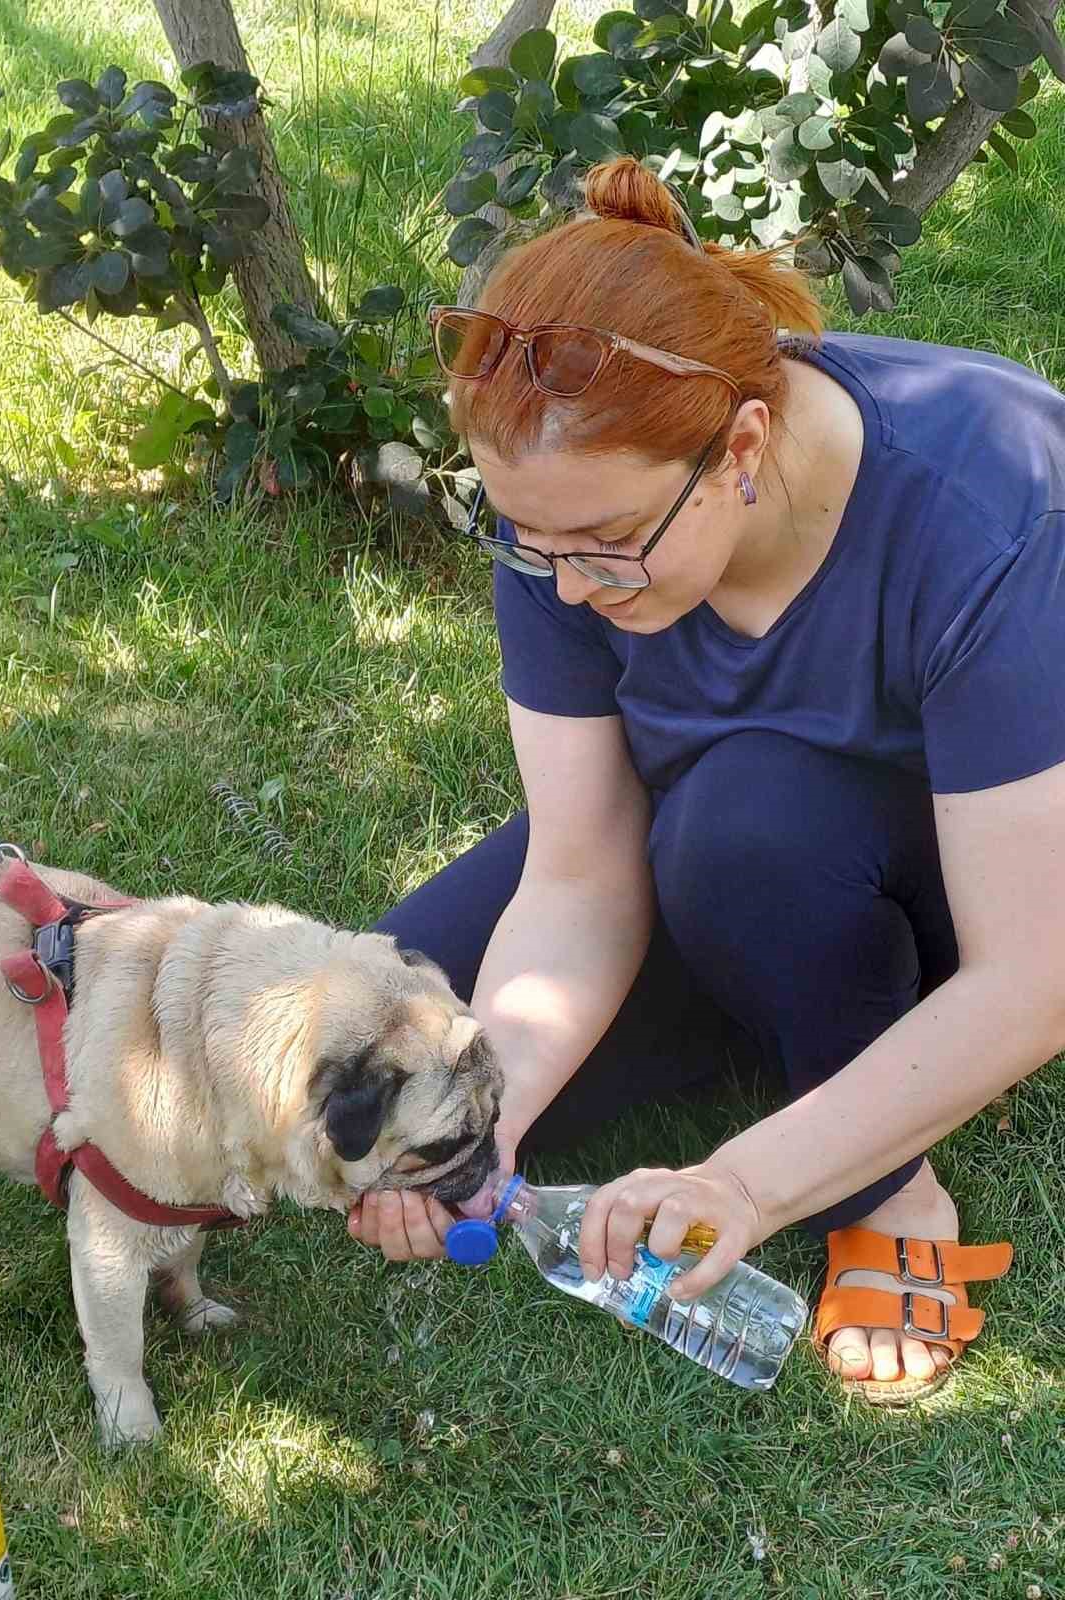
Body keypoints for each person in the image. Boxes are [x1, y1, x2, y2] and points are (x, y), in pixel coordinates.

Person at [348, 156, 1065, 1403]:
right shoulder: (575, 522)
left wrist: (746, 1182)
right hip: (698, 854)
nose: (570, 588)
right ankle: (781, 1021)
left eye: (606, 550)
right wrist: (487, 1115)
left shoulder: (991, 502)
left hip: (968, 884)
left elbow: (1036, 975)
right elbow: (576, 870)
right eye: (529, 541)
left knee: (750, 825)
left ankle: (889, 1185)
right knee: (388, 1038)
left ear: (742, 445)